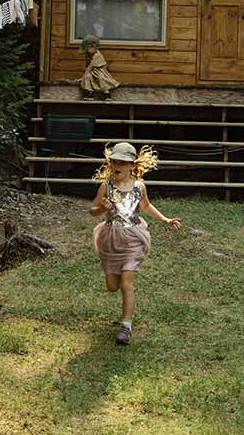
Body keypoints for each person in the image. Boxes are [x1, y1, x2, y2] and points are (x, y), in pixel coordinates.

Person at [89, 142, 181, 345]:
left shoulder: (139, 187)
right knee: (112, 286)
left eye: (123, 162)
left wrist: (165, 219)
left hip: (133, 239)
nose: (117, 165)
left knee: (126, 284)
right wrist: (102, 209)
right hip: (111, 240)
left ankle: (126, 326)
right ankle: (124, 319)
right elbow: (92, 210)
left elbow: (146, 206)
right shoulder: (106, 186)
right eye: (114, 161)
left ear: (132, 165)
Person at [78, 34, 119, 99]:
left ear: (93, 47)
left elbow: (90, 67)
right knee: (88, 78)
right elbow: (88, 65)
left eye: (88, 49)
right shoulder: (88, 55)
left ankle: (106, 94)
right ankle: (90, 93)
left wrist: (83, 77)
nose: (86, 51)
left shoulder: (97, 55)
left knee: (101, 79)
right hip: (92, 71)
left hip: (99, 71)